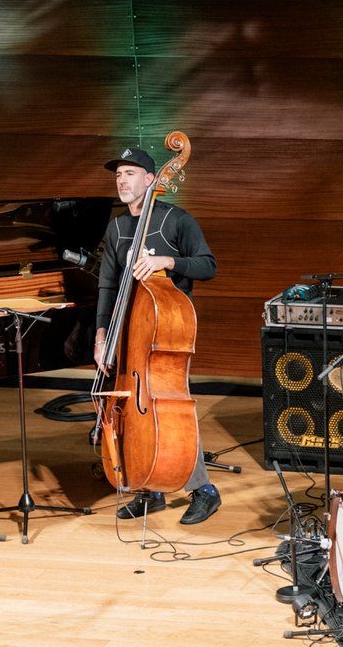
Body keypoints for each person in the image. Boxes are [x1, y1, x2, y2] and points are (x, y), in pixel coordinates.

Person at [93, 146, 220, 525]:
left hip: (164, 333)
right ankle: (151, 488)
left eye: (129, 173)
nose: (121, 180)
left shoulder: (176, 220)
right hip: (126, 331)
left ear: (151, 180)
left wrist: (169, 261)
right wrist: (102, 335)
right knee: (134, 411)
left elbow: (208, 266)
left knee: (169, 409)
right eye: (118, 174)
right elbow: (107, 286)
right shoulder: (116, 227)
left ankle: (204, 491)